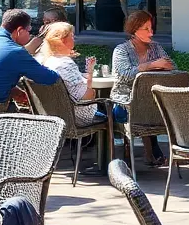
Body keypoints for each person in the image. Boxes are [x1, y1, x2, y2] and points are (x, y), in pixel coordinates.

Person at [111, 9, 176, 165]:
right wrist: (151, 66)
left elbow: (172, 66)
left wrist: (157, 67)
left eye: (151, 28)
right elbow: (124, 74)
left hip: (152, 101)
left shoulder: (155, 47)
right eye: (146, 29)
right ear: (134, 30)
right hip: (126, 101)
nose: (151, 33)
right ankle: (149, 151)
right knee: (141, 106)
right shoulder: (121, 50)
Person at [0, 9, 59, 107]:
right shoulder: (15, 52)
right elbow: (49, 78)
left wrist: (14, 91)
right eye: (29, 31)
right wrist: (62, 65)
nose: (30, 35)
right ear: (19, 31)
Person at [37, 21, 105, 126]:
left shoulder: (44, 61)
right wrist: (91, 87)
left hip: (51, 115)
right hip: (76, 117)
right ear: (63, 41)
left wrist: (89, 73)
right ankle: (110, 141)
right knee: (109, 110)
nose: (74, 39)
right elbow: (86, 96)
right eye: (72, 36)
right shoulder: (66, 64)